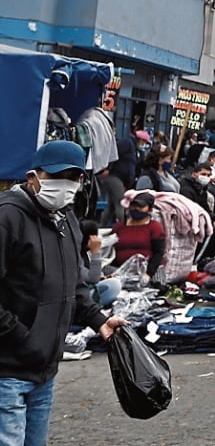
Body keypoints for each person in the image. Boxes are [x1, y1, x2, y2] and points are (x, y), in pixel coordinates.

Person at [0, 141, 127, 443]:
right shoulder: (8, 217)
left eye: (74, 178)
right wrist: (21, 336)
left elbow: (74, 285)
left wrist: (99, 321)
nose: (66, 185)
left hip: (45, 370)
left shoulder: (67, 219)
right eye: (56, 176)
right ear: (33, 177)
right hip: (7, 371)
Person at [110, 192, 167, 281]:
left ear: (150, 210)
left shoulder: (155, 227)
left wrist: (149, 273)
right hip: (119, 271)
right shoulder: (119, 227)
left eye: (141, 207)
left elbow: (158, 253)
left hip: (145, 273)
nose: (136, 209)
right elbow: (109, 250)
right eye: (134, 206)